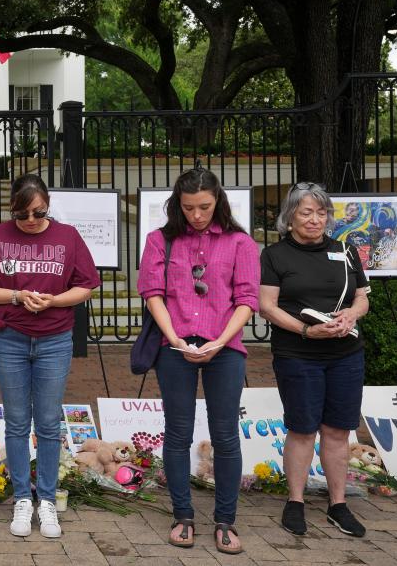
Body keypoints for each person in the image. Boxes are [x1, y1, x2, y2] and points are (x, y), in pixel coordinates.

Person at [0, 174, 100, 539]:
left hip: (55, 337)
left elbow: (86, 284)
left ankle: (46, 499)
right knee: (15, 421)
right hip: (9, 336)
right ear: (12, 208)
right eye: (22, 213)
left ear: (48, 207)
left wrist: (53, 300)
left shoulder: (67, 236)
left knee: (47, 421)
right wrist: (15, 296)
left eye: (38, 213)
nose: (30, 220)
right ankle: (22, 497)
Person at [137, 167, 259, 555]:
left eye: (205, 207)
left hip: (225, 348)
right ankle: (182, 515)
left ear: (218, 202)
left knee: (225, 436)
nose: (197, 215)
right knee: (177, 432)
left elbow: (247, 299)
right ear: (178, 205)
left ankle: (225, 521)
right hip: (175, 348)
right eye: (188, 208)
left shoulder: (240, 242)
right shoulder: (160, 240)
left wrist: (221, 341)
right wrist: (174, 339)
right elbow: (152, 292)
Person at [258, 182, 370, 538]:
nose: (314, 219)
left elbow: (362, 299)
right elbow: (267, 306)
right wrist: (306, 332)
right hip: (298, 353)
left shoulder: (346, 250)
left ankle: (338, 505)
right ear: (289, 217)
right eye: (306, 212)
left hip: (345, 354)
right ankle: (296, 501)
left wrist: (351, 315)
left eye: (321, 213)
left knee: (338, 429)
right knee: (303, 429)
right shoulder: (275, 256)